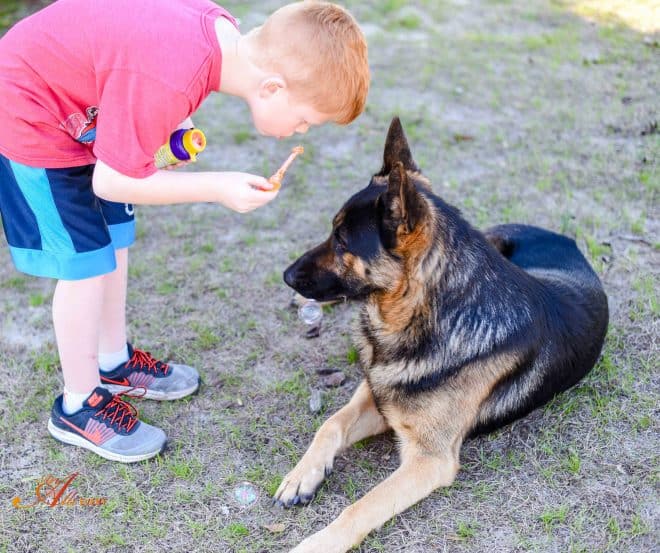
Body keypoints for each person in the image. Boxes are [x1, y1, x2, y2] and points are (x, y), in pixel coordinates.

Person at [0, 0, 369, 463]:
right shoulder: (170, 73)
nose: (301, 130)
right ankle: (78, 404)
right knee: (84, 264)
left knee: (115, 240)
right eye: (305, 120)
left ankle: (112, 361)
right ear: (273, 87)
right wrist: (217, 186)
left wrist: (174, 120)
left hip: (84, 107)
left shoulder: (221, 37)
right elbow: (110, 180)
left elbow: (136, 48)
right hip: (32, 111)